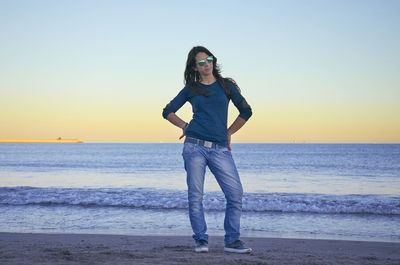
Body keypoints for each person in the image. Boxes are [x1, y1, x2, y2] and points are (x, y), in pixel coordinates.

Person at [162, 46, 253, 254]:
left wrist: (229, 132)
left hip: (220, 148)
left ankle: (232, 241)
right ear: (195, 66)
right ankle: (201, 240)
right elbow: (167, 111)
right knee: (196, 196)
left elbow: (246, 111)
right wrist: (185, 126)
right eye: (201, 62)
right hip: (194, 147)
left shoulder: (226, 86)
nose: (206, 64)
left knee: (235, 193)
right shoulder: (191, 88)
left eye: (209, 59)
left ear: (213, 60)